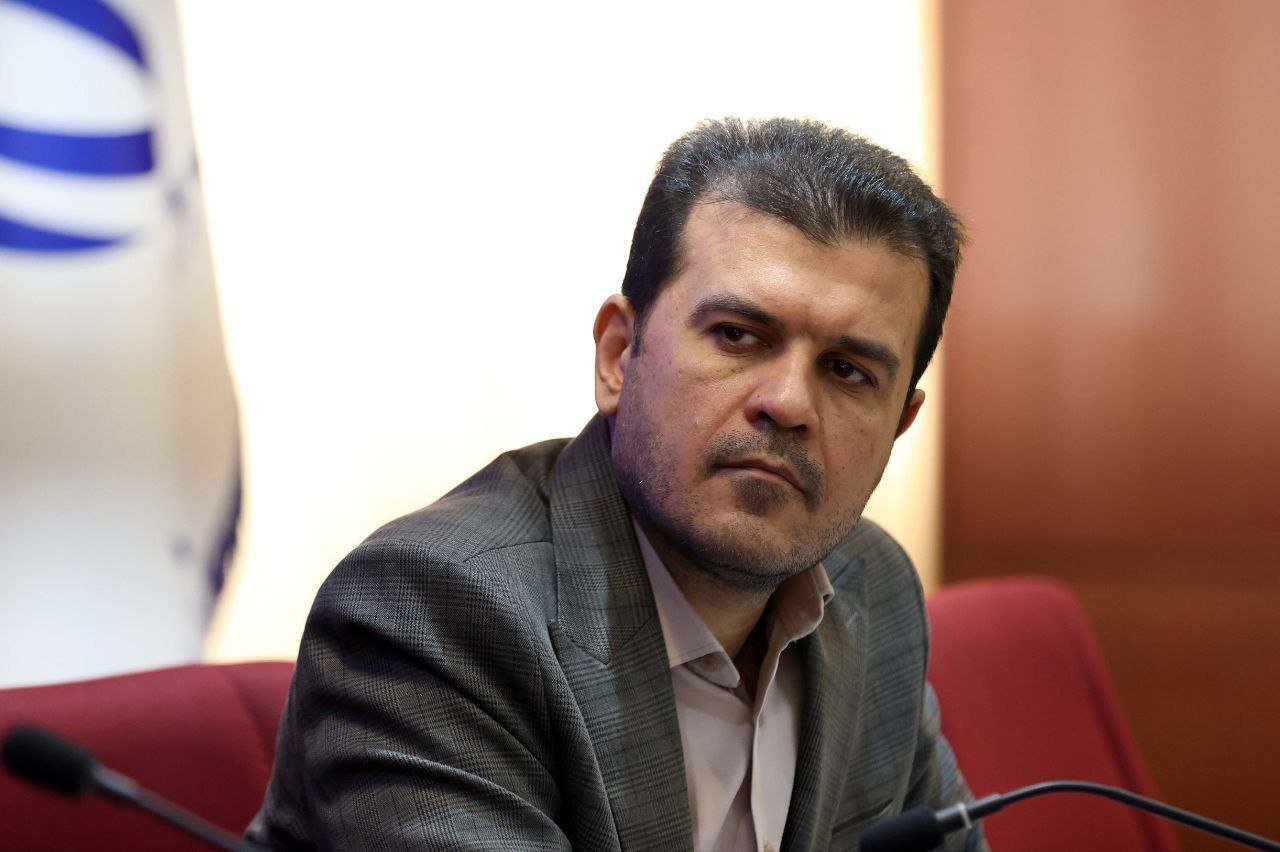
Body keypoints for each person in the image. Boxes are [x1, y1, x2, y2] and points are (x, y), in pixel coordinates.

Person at [249, 117, 986, 851]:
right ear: (618, 356)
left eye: (849, 371)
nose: (788, 403)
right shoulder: (439, 608)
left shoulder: (873, 589)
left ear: (899, 423)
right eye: (737, 335)